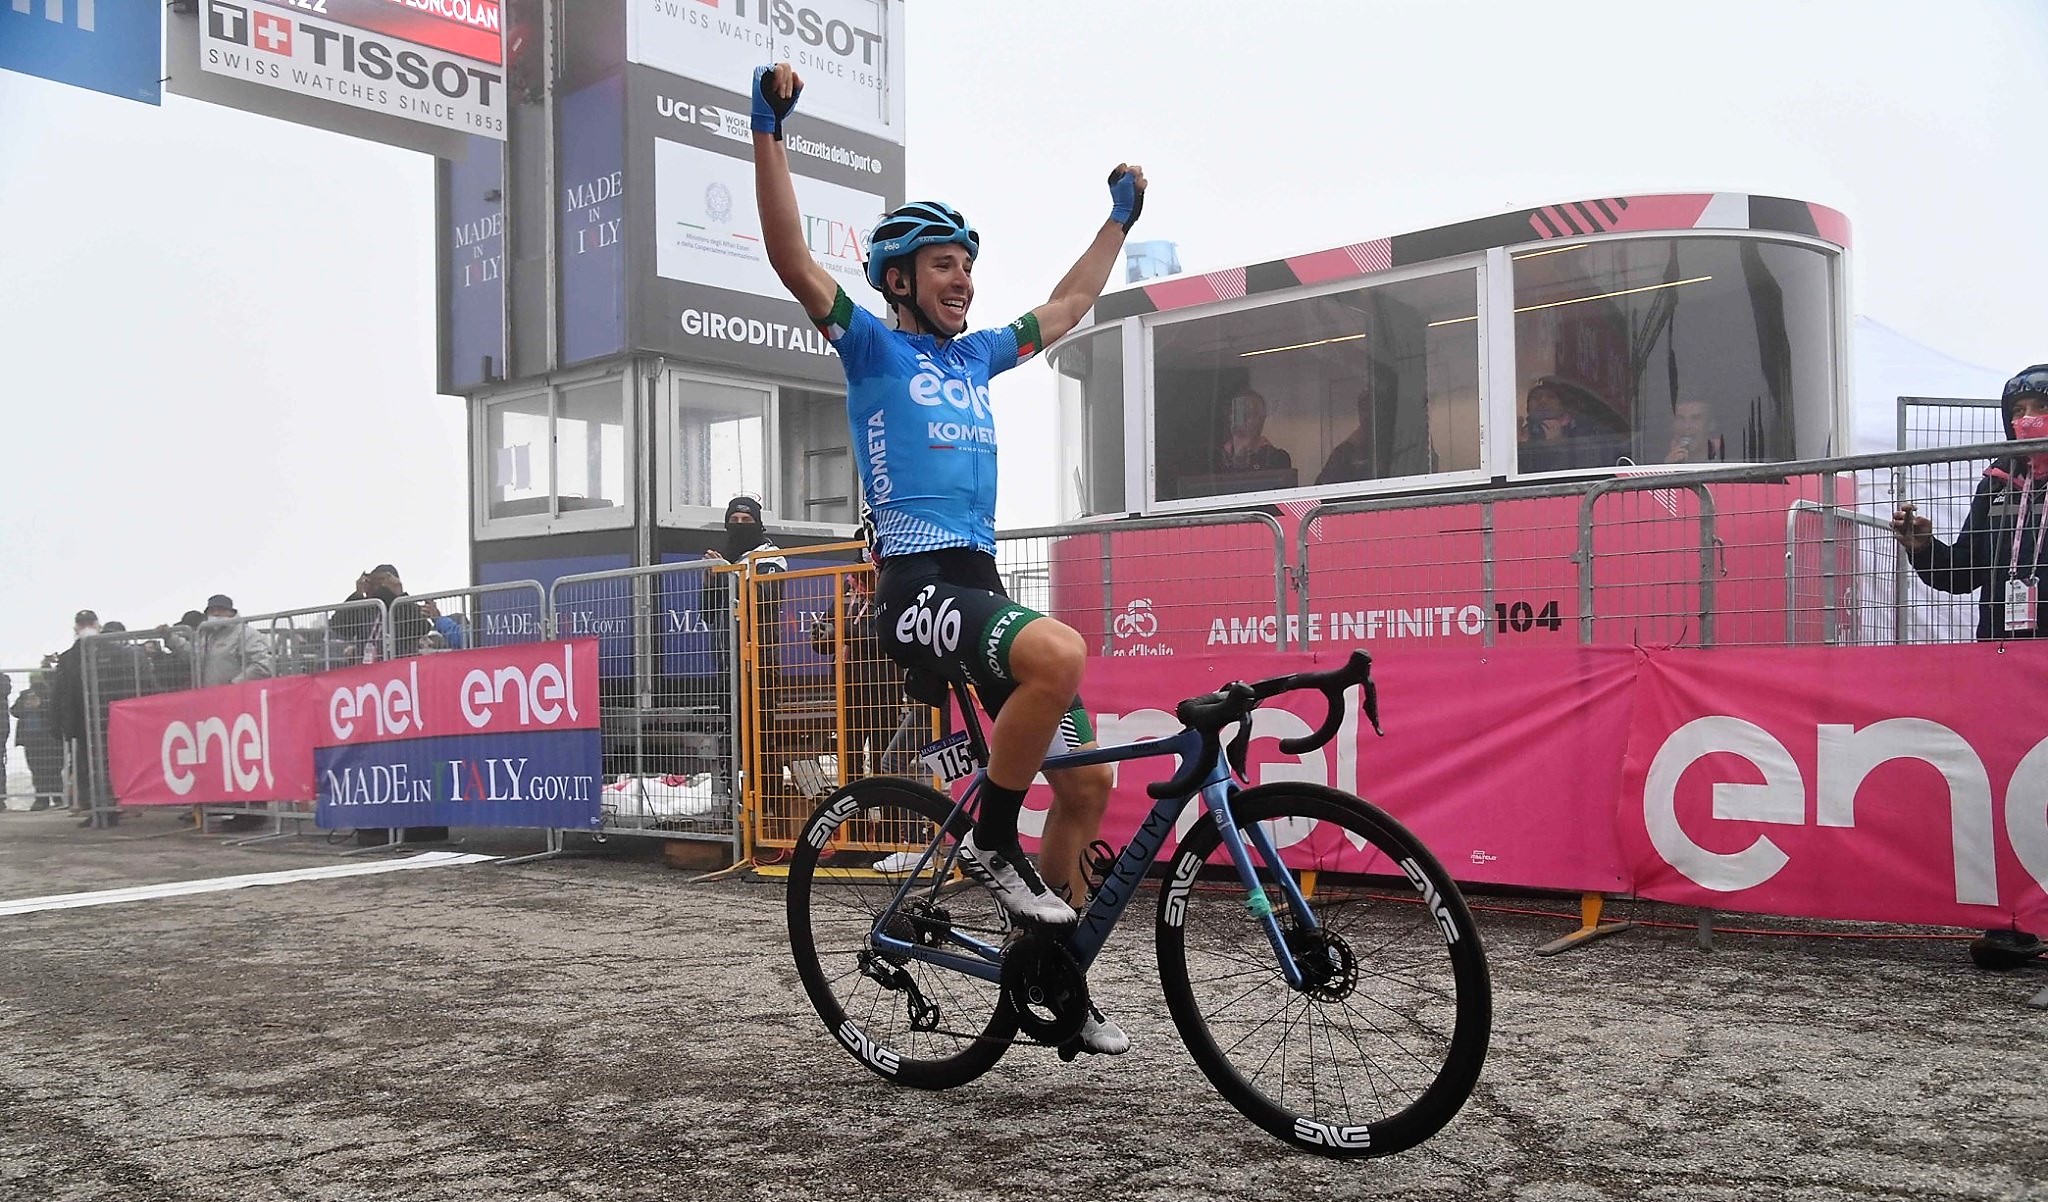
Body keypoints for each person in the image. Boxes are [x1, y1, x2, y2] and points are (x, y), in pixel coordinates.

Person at [752, 62, 1138, 1053]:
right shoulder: (873, 350)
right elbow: (792, 258)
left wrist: (1117, 223)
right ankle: (992, 841)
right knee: (1058, 653)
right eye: (941, 263)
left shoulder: (974, 357)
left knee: (1089, 788)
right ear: (897, 279)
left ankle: (1053, 974)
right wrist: (768, 131)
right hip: (913, 588)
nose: (961, 277)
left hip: (975, 582)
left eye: (966, 262)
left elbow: (1066, 305)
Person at [1892, 365, 2048, 640]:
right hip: (2000, 649)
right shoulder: (1997, 483)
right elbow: (1963, 574)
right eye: (2018, 411)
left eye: (2041, 407)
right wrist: (1924, 549)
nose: (2027, 419)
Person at [162, 595, 274, 688]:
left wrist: (234, 685)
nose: (216, 614)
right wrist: (169, 637)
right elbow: (191, 653)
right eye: (212, 611)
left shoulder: (246, 634)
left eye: (221, 610)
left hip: (239, 698)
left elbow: (263, 664)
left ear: (231, 612)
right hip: (210, 699)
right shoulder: (206, 636)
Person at [332, 565, 433, 660]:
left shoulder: (404, 607)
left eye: (382, 582)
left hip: (400, 668)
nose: (378, 587)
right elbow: (339, 626)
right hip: (367, 670)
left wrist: (400, 595)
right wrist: (357, 595)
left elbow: (422, 627)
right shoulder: (364, 609)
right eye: (374, 583)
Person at [11, 673, 63, 810]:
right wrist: (25, 706)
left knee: (51, 769)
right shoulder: (25, 695)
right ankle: (44, 799)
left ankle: (54, 797)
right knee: (38, 770)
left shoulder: (51, 694)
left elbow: (55, 711)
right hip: (32, 739)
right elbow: (15, 711)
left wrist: (40, 705)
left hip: (48, 738)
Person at [1216, 390, 1292, 473]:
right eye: (1240, 412)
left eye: (1253, 413)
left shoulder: (1276, 458)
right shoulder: (1214, 458)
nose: (1246, 418)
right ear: (1230, 416)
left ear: (1262, 418)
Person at [1664, 397, 1725, 464]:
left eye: (1695, 418)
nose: (1686, 426)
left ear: (1710, 425)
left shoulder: (1726, 457)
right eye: (1680, 419)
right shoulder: (1655, 458)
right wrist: (1668, 467)